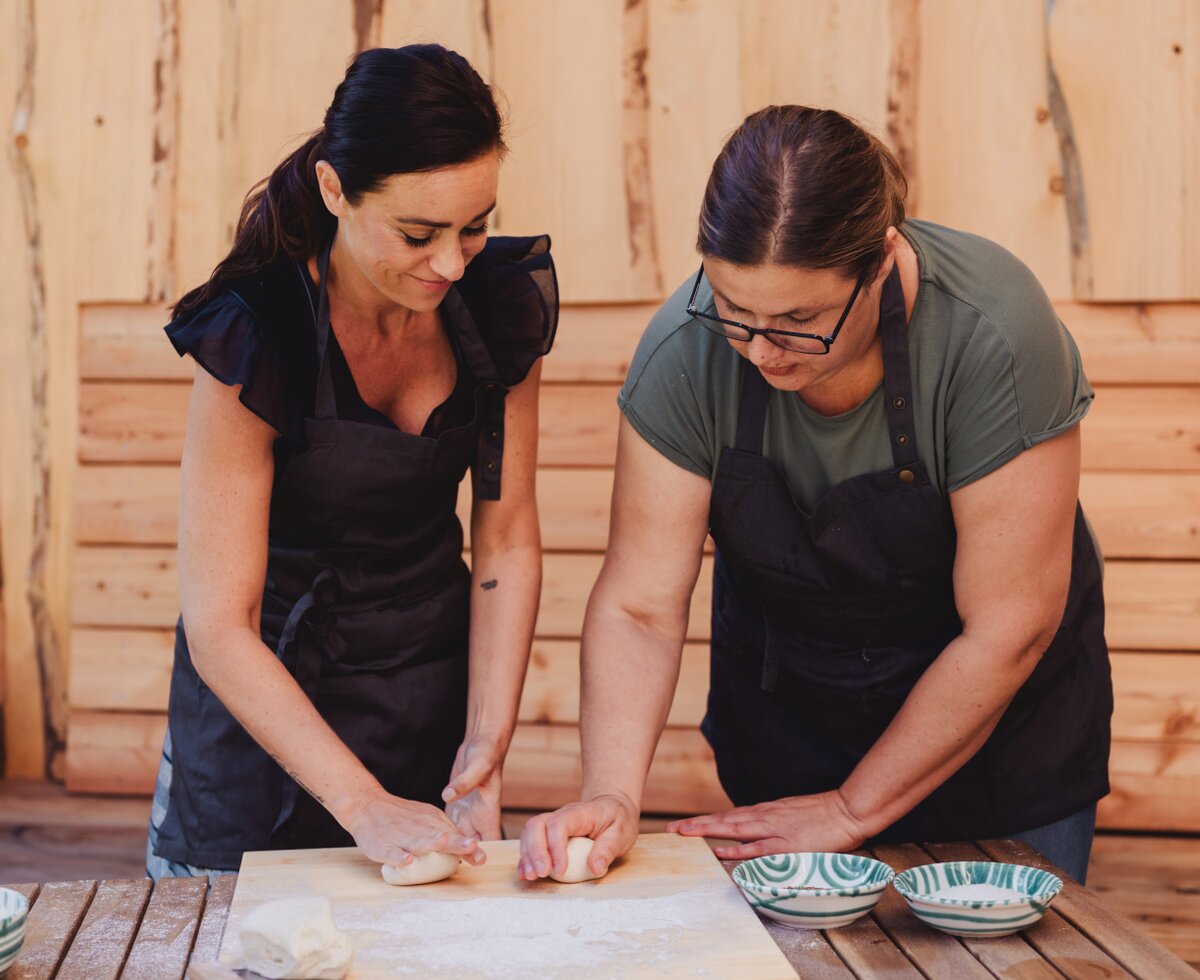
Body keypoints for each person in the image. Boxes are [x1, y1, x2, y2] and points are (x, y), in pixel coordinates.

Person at [518, 106, 1109, 885]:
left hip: (998, 743)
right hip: (791, 731)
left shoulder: (991, 334)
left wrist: (852, 809)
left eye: (800, 320)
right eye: (734, 310)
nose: (760, 350)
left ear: (880, 262)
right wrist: (612, 794)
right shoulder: (685, 351)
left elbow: (1008, 628)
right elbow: (640, 604)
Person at [146, 44, 557, 878]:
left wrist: (487, 740)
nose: (451, 262)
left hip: (423, 695)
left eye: (473, 225)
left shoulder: (500, 304)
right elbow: (219, 626)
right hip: (261, 720)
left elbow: (506, 539)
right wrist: (361, 803)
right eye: (417, 233)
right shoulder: (257, 330)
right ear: (335, 191)